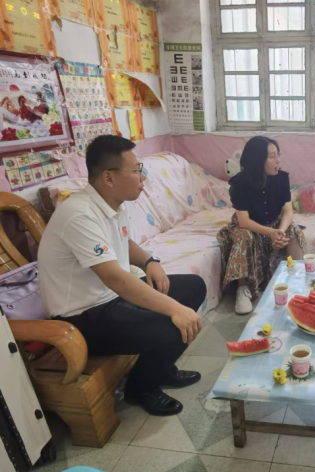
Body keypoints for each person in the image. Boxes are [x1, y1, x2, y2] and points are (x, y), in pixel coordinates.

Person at [38, 135, 205, 416]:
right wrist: (174, 309)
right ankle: (141, 388)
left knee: (194, 287)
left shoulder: (113, 204)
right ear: (109, 177)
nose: (143, 177)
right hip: (83, 316)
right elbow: (115, 278)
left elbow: (123, 242)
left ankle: (161, 369)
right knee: (173, 325)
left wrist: (149, 261)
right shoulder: (79, 215)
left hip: (110, 298)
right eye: (137, 170)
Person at [217, 136, 305, 314]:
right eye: (272, 156)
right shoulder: (240, 183)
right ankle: (243, 288)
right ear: (258, 160)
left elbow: (288, 211)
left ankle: (299, 278)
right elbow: (244, 221)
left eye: (278, 154)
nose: (278, 160)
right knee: (244, 235)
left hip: (274, 224)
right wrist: (270, 232)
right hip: (250, 226)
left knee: (293, 230)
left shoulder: (281, 178)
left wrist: (279, 231)